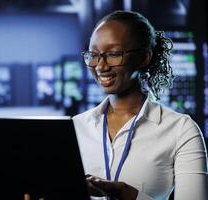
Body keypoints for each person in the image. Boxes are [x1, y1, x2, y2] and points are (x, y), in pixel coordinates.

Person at [72, 10, 208, 200]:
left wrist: (126, 194)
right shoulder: (75, 127)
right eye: (93, 55)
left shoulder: (181, 131)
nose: (101, 66)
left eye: (113, 54)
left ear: (144, 57)